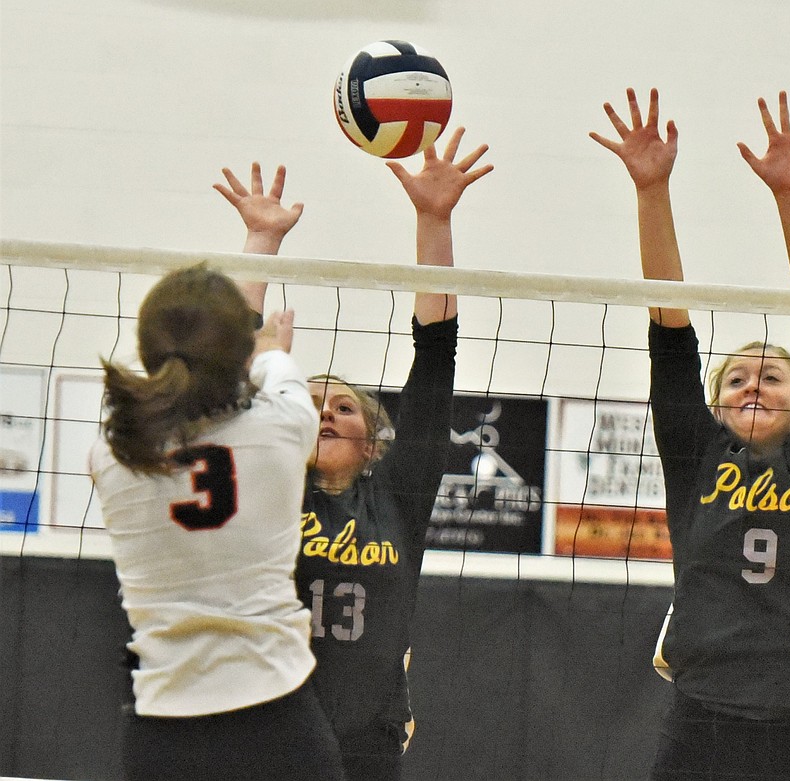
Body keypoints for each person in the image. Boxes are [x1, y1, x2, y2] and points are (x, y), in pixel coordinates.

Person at [591, 88, 790, 780]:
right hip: (701, 717)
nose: (750, 385)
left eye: (771, 377)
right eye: (736, 378)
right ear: (714, 409)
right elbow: (669, 338)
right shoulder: (698, 458)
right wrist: (652, 191)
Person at [213, 128, 492, 781]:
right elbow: (223, 380)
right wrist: (262, 245)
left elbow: (436, 357)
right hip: (265, 727)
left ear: (374, 441)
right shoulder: (271, 490)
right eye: (309, 403)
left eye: (342, 406)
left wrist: (434, 220)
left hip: (368, 736)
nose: (325, 412)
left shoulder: (396, 495)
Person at [89, 265, 345, 781]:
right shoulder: (284, 425)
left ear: (146, 351)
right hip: (278, 723)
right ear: (240, 353)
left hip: (163, 734)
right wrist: (271, 344)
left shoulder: (110, 456)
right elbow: (274, 365)